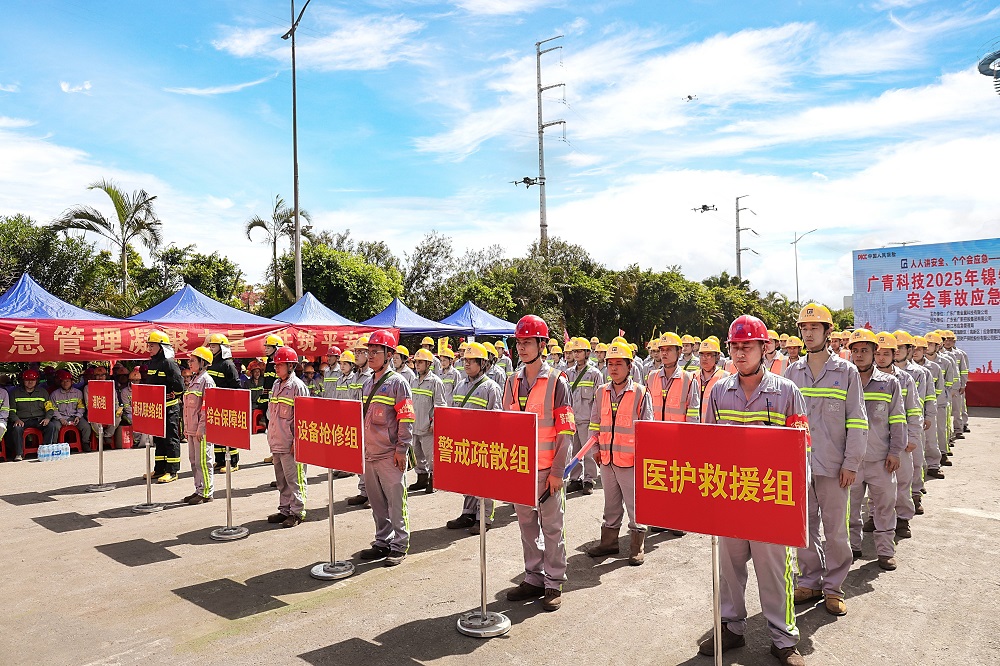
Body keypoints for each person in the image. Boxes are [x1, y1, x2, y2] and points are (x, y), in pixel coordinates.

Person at [698, 315, 807, 666]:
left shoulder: (786, 391)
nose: (740, 353)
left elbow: (802, 447)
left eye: (748, 346)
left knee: (774, 570)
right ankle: (731, 627)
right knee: (729, 568)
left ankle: (783, 639)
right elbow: (707, 443)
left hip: (771, 499)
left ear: (765, 348)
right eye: (735, 347)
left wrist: (794, 500)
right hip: (730, 495)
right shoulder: (719, 391)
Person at [784, 304, 867, 617]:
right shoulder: (792, 372)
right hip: (800, 465)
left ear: (827, 331)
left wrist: (851, 463)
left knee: (835, 531)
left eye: (814, 328)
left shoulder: (845, 371)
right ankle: (810, 581)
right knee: (803, 527)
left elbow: (857, 420)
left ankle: (834, 587)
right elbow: (784, 420)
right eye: (804, 329)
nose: (808, 334)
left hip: (834, 466)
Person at [502, 315, 575, 612]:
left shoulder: (557, 381)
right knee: (527, 527)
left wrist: (557, 472)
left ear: (542, 345)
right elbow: (506, 427)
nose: (522, 347)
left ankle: (553, 582)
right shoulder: (511, 381)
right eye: (519, 342)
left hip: (547, 471)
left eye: (528, 342)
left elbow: (566, 432)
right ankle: (533, 577)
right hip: (521, 469)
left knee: (553, 529)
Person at [585, 342, 653, 565]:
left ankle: (636, 544)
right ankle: (609, 542)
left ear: (629, 366)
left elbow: (647, 430)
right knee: (611, 504)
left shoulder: (640, 392)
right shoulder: (601, 391)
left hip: (630, 460)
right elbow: (595, 423)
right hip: (606, 458)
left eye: (618, 364)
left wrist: (643, 459)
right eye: (610, 364)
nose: (613, 368)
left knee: (635, 504)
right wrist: (595, 449)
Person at [846, 329, 904, 569]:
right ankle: (853, 547)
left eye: (864, 350)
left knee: (884, 507)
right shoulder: (844, 381)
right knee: (850, 508)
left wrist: (895, 451)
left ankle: (885, 551)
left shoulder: (889, 383)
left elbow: (898, 419)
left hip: (881, 459)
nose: (859, 355)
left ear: (874, 353)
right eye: (855, 350)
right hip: (851, 461)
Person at [357, 330, 415, 566]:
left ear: (389, 354)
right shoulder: (367, 383)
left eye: (375, 352)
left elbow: (406, 418)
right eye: (368, 351)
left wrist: (402, 449)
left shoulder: (398, 383)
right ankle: (383, 541)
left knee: (395, 502)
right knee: (377, 503)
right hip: (370, 453)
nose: (370, 355)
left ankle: (399, 545)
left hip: (390, 454)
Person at [446, 343, 503, 534]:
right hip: (464, 443)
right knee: (467, 480)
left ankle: (484, 518)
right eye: (465, 360)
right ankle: (468, 513)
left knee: (484, 483)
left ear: (482, 363)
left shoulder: (491, 387)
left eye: (471, 361)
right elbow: (454, 413)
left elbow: (497, 418)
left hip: (483, 444)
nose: (467, 364)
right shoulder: (460, 386)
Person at [871, 332, 919, 540]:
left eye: (886, 354)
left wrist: (912, 438)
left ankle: (902, 518)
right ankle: (873, 515)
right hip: (875, 440)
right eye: (878, 354)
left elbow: (914, 410)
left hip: (900, 440)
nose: (881, 358)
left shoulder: (905, 379)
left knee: (902, 480)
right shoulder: (863, 377)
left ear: (894, 354)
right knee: (875, 483)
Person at [266, 346, 311, 527]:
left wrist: (298, 441)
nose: (276, 368)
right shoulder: (276, 385)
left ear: (291, 366)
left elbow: (304, 417)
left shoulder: (298, 387)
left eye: (280, 364)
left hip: (290, 443)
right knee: (281, 480)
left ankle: (297, 512)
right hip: (277, 441)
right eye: (275, 365)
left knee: (295, 479)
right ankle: (284, 509)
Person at [892, 330, 936, 513]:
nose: (896, 351)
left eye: (901, 347)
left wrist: (927, 417)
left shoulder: (918, 373)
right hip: (889, 428)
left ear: (909, 350)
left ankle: (915, 495)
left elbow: (925, 398)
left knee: (915, 462)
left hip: (912, 423)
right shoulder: (880, 371)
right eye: (894, 347)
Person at [144, 332, 185, 483]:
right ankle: (159, 469)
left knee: (170, 439)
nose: (149, 349)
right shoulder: (153, 362)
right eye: (149, 346)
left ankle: (172, 471)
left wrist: (174, 395)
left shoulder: (169, 363)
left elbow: (179, 385)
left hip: (170, 408)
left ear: (161, 347)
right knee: (159, 439)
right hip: (157, 407)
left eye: (152, 346)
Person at [564, 337, 603, 495]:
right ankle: (575, 479)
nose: (576, 354)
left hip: (588, 420)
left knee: (588, 453)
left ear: (587, 353)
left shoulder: (595, 373)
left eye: (579, 351)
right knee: (574, 451)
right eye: (574, 351)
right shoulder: (568, 373)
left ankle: (589, 480)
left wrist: (597, 421)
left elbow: (598, 400)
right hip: (572, 420)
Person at [407, 348, 446, 495]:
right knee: (417, 454)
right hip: (414, 425)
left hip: (427, 427)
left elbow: (440, 405)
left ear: (428, 364)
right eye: (416, 362)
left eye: (420, 362)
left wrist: (435, 423)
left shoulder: (435, 382)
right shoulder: (414, 381)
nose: (417, 365)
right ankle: (422, 478)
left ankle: (434, 480)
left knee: (431, 457)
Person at [183, 347, 216, 505]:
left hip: (200, 430)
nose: (190, 363)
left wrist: (202, 428)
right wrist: (186, 428)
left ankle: (206, 492)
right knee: (194, 461)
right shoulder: (194, 380)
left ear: (203, 362)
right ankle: (199, 489)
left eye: (193, 361)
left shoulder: (206, 381)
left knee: (203, 461)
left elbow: (207, 408)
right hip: (192, 429)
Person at [206, 333, 242, 472]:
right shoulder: (211, 363)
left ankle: (233, 462)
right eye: (210, 346)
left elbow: (236, 385)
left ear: (222, 347)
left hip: (227, 404)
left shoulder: (228, 364)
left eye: (214, 346)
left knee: (229, 434)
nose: (211, 348)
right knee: (217, 434)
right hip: (215, 404)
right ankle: (220, 460)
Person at [6, 369, 59, 461]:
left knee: (50, 426)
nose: (30, 382)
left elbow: (50, 408)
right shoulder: (15, 393)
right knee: (17, 429)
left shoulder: (43, 392)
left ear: (37, 381)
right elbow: (11, 410)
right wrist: (16, 419)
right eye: (27, 380)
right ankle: (19, 454)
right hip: (22, 420)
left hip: (39, 419)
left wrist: (47, 418)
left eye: (32, 380)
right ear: (23, 381)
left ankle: (45, 451)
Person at [646, 332, 700, 423]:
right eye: (662, 350)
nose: (664, 353)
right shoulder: (652, 377)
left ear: (679, 352)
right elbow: (647, 410)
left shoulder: (688, 379)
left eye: (668, 350)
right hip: (655, 430)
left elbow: (693, 415)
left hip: (679, 431)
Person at [912, 336, 944, 479]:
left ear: (924, 351)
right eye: (914, 349)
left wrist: (929, 414)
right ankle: (917, 478)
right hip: (910, 413)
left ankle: (934, 465)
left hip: (926, 410)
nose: (916, 352)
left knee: (930, 440)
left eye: (919, 349)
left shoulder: (932, 368)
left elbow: (934, 393)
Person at [348, 335, 374, 507]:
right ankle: (364, 491)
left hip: (370, 425)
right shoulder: (354, 376)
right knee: (361, 460)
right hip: (356, 423)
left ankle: (374, 495)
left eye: (360, 352)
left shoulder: (372, 376)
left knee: (372, 462)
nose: (356, 355)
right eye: (355, 352)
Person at [50, 369, 92, 452]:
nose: (65, 383)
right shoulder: (54, 394)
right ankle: (54, 445)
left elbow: (81, 407)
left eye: (67, 381)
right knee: (55, 426)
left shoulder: (78, 393)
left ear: (72, 382)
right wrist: (60, 418)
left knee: (86, 426)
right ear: (60, 382)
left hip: (74, 416)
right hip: (60, 418)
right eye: (63, 381)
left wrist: (78, 416)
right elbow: (53, 409)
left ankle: (85, 443)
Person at [696, 338, 730, 421]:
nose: (704, 358)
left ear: (717, 357)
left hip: (714, 426)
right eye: (702, 355)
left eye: (708, 355)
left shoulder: (726, 377)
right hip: (693, 426)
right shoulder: (692, 377)